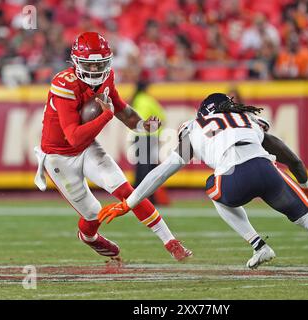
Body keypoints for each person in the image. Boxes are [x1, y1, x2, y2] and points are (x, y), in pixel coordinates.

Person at [98, 93, 308, 277]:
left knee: (213, 190)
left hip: (233, 177)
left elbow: (161, 173)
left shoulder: (194, 127)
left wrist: (129, 203)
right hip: (267, 169)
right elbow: (291, 157)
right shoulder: (249, 120)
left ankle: (258, 245)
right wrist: (304, 185)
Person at [33, 32, 192, 263]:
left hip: (87, 147)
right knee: (93, 213)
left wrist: (141, 125)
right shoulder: (64, 84)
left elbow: (120, 108)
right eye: (91, 64)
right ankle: (88, 237)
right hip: (59, 156)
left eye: (100, 64)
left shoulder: (107, 78)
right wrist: (105, 116)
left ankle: (171, 242)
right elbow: (74, 137)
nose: (97, 70)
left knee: (129, 191)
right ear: (76, 62)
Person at [130, 79, 169, 205]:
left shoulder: (136, 100)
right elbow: (161, 116)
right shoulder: (147, 99)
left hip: (139, 136)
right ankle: (148, 198)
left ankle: (136, 196)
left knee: (141, 168)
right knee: (149, 169)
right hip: (149, 137)